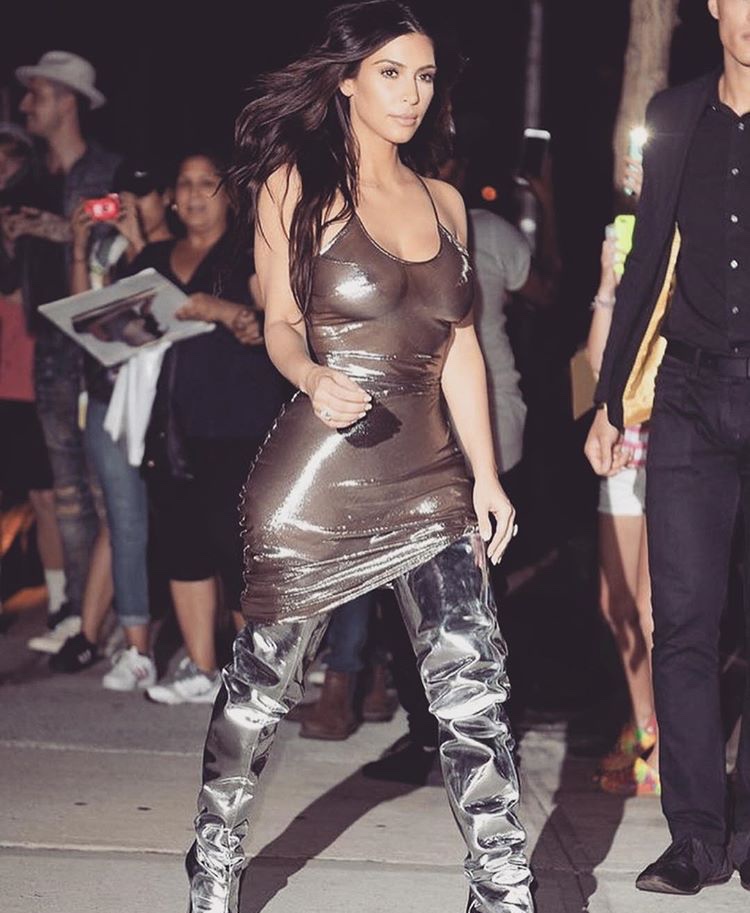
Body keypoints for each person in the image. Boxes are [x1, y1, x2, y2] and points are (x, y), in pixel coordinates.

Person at [186, 4, 533, 912]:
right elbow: (281, 321)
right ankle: (215, 867)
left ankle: (503, 887)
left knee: (474, 689)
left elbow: (461, 345)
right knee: (262, 689)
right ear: (344, 80)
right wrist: (309, 374)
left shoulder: (445, 200)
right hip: (319, 473)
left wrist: (486, 475)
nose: (411, 94)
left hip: (432, 474)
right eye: (390, 73)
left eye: (424, 77)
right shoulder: (294, 187)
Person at [585, 0, 750, 895]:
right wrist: (610, 400)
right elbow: (647, 257)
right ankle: (695, 835)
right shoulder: (677, 114)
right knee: (681, 619)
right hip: (686, 392)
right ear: (714, 5)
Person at [127, 151, 290, 706]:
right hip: (167, 425)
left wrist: (222, 312)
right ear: (171, 196)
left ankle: (257, 675)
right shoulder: (151, 258)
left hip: (238, 422)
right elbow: (113, 323)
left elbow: (270, 327)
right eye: (184, 183)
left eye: (207, 183)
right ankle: (201, 668)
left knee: (237, 548)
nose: (194, 194)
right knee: (182, 545)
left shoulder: (250, 252)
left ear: (228, 194)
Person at [6, 51, 120, 654]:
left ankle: (118, 616)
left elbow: (125, 227)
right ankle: (78, 613)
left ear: (68, 101)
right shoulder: (28, 178)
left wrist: (55, 230)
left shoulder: (106, 171)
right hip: (48, 345)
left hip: (99, 346)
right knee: (67, 491)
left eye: (39, 94)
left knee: (107, 489)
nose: (26, 105)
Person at [49, 159, 173, 689]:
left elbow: (161, 310)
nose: (132, 207)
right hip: (109, 396)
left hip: (164, 401)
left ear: (166, 198)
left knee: (163, 519)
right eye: (124, 198)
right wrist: (80, 248)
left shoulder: (179, 248)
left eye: (143, 196)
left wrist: (141, 243)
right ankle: (131, 642)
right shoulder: (110, 250)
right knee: (124, 519)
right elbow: (84, 318)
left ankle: (183, 639)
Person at [586, 203, 660, 799]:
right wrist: (609, 282)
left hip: (671, 449)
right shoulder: (629, 247)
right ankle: (645, 725)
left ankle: (662, 744)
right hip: (620, 446)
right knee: (616, 602)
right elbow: (596, 366)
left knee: (655, 609)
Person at [0, 123, 65, 621]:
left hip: (29, 372)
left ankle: (62, 600)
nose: (2, 168)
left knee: (46, 494)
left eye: (11, 158)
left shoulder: (41, 211)